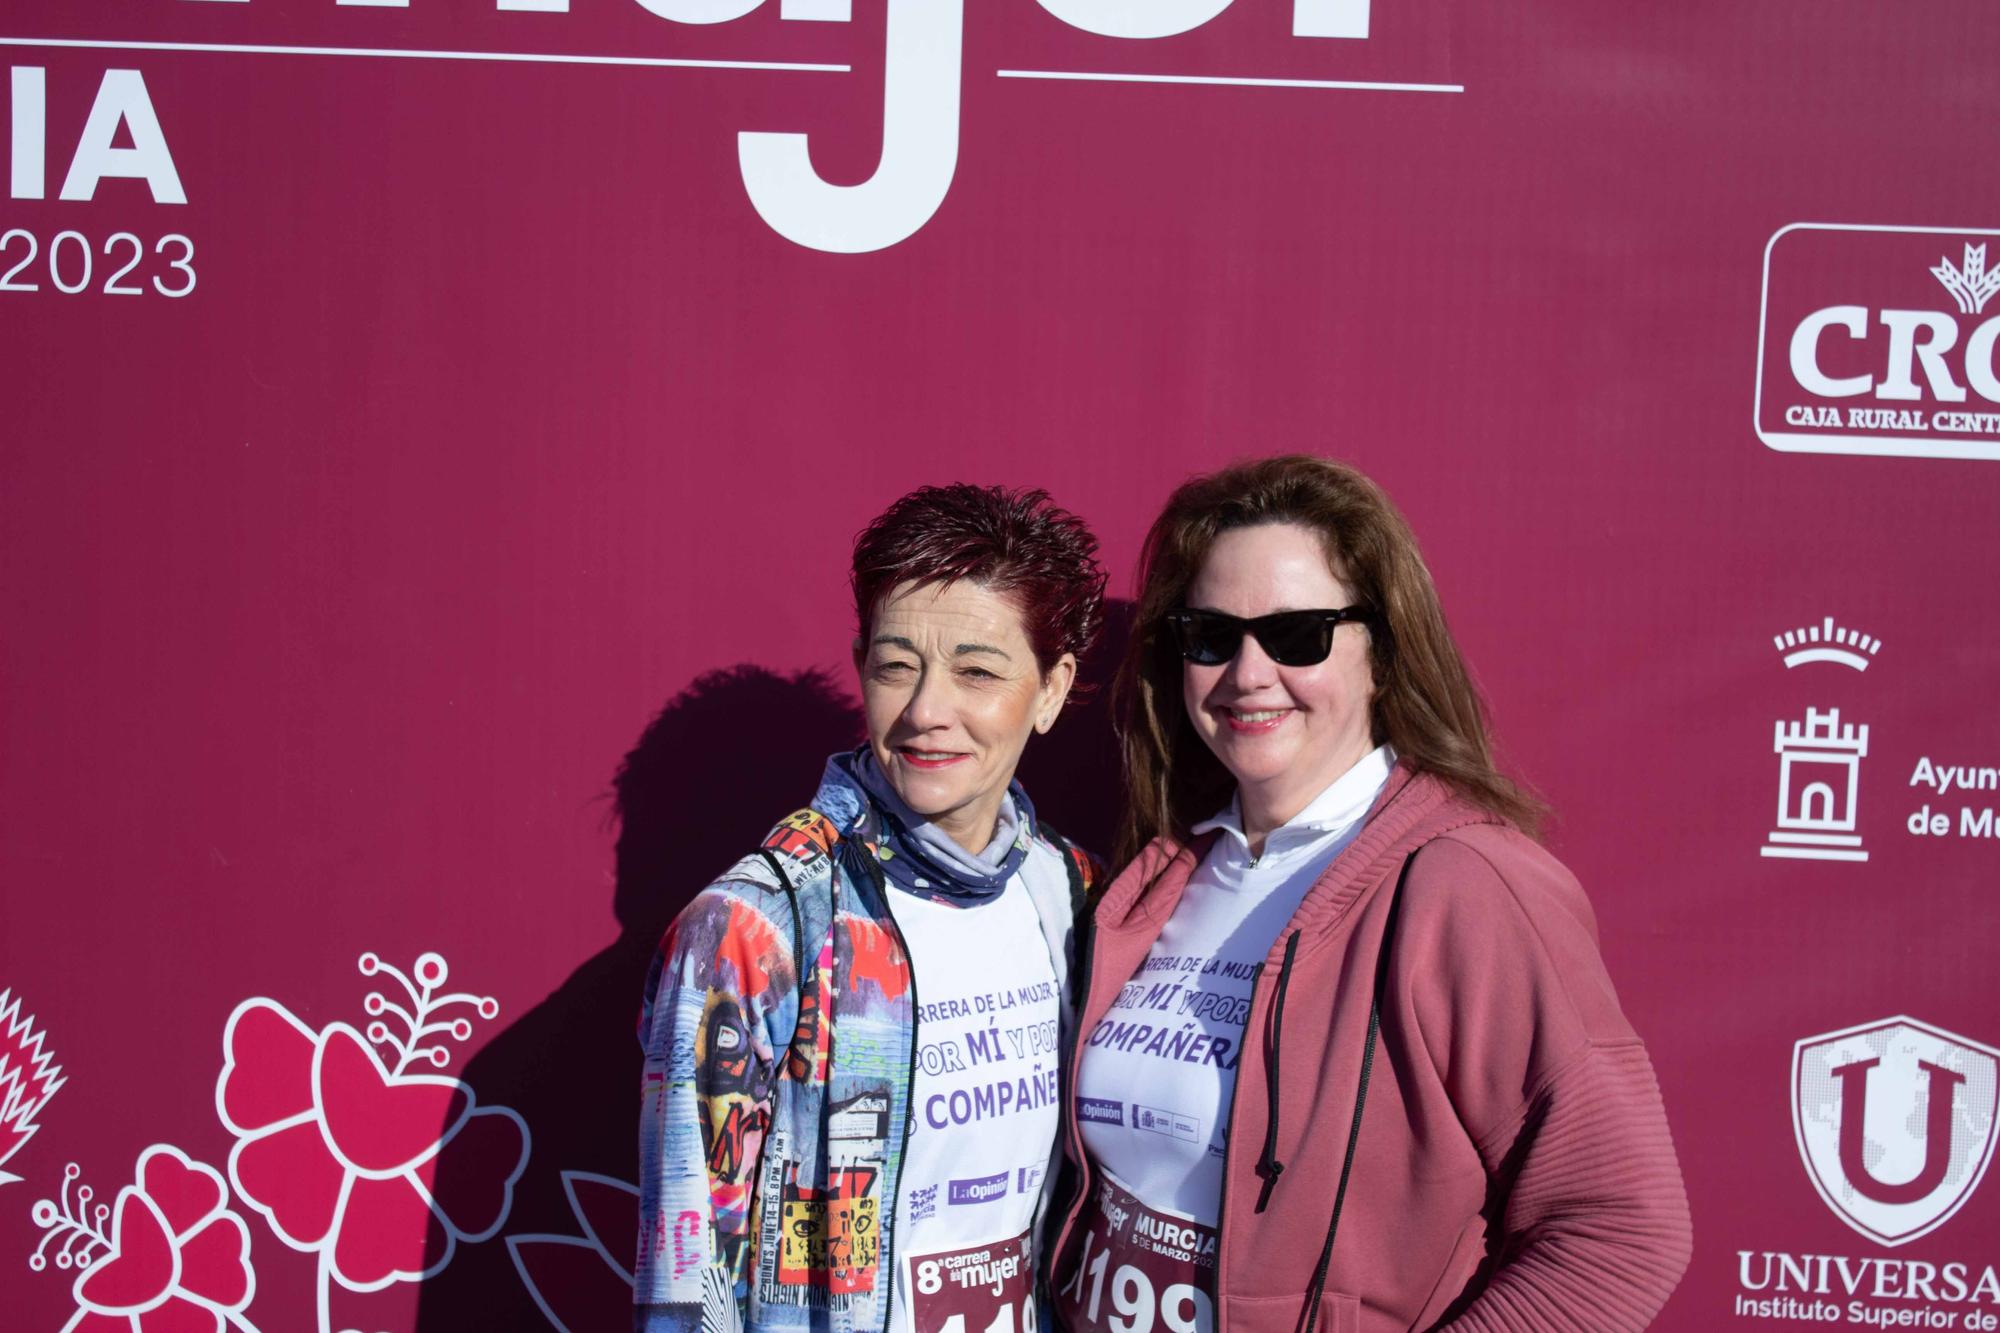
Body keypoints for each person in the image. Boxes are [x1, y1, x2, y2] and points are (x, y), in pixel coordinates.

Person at [1048, 456, 1691, 1332]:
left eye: (1299, 634)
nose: (1249, 671)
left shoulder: (1465, 884)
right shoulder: (1164, 875)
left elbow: (1622, 1225)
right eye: (1212, 634)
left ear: (1382, 653)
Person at [636, 484, 1108, 1333]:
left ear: (1050, 689)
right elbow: (685, 1276)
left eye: (976, 670)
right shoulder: (755, 929)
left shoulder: (1076, 895)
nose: (927, 711)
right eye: (897, 666)